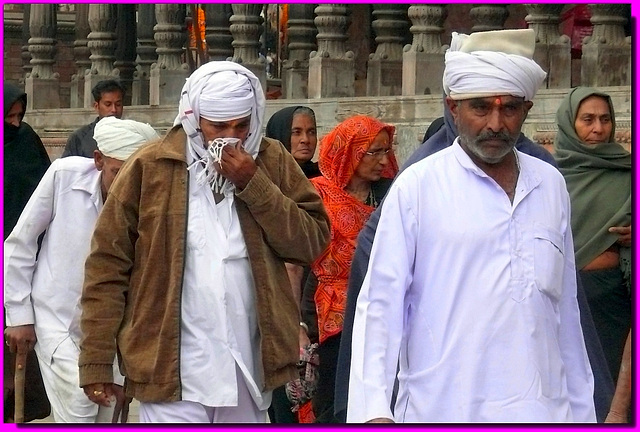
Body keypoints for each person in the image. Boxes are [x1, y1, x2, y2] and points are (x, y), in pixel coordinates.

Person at [346, 29, 596, 423]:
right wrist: (374, 412)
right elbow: (380, 306)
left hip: (545, 411)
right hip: (442, 410)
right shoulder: (418, 186)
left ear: (527, 109)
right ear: (453, 107)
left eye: (509, 108)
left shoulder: (550, 185)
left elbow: (565, 313)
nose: (496, 123)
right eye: (481, 107)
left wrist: (583, 414)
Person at [78, 61, 331, 424]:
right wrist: (96, 359)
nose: (231, 137)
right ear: (194, 118)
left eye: (242, 125)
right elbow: (107, 267)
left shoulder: (271, 160)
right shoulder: (150, 167)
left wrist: (252, 183)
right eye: (218, 126)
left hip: (248, 365)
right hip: (171, 370)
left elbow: (311, 242)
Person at [4, 116, 158, 423]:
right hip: (56, 318)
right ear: (99, 160)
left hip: (114, 329)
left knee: (110, 412)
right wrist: (19, 315)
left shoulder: (151, 199)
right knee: (79, 405)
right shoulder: (64, 175)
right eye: (119, 172)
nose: (129, 184)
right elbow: (20, 242)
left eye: (136, 174)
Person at [309, 115, 399, 423]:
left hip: (380, 304)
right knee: (334, 400)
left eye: (386, 151)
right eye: (373, 152)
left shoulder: (392, 193)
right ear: (351, 151)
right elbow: (294, 264)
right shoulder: (317, 195)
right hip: (329, 314)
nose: (383, 160)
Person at [553, 87, 631, 384]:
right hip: (560, 300)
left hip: (612, 302)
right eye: (587, 119)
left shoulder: (628, 173)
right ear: (569, 122)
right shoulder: (549, 175)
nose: (598, 128)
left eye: (605, 119)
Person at [264, 105, 320, 424]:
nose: (305, 140)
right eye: (296, 132)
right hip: (277, 303)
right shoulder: (266, 186)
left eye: (311, 131)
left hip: (316, 301)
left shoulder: (323, 181)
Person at [3, 81, 51, 423]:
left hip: (22, 255)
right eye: (9, 116)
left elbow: (44, 191)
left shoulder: (26, 141)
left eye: (20, 115)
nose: (15, 124)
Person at [61, 80, 125, 158]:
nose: (114, 110)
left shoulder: (131, 134)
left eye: (118, 104)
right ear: (96, 106)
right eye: (108, 105)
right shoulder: (79, 138)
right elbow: (67, 168)